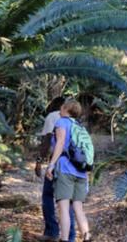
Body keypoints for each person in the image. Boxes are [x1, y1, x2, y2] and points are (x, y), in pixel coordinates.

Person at [46, 100, 92, 242]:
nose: (60, 107)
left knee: (64, 208)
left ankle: (64, 239)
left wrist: (51, 165)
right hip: (81, 171)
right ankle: (87, 237)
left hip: (65, 170)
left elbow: (60, 144)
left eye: (62, 105)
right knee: (78, 208)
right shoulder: (80, 127)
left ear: (65, 108)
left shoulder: (61, 122)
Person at [36, 97, 76, 242]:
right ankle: (71, 236)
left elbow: (47, 141)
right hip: (74, 166)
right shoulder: (76, 122)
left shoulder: (53, 117)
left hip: (58, 163)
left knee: (48, 195)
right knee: (68, 200)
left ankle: (52, 231)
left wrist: (40, 162)